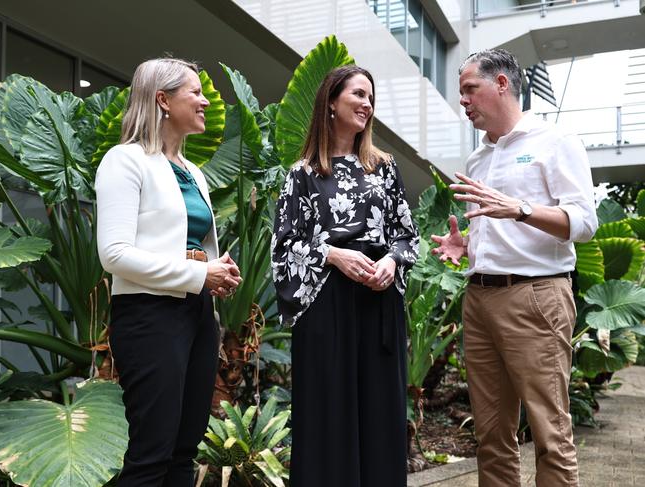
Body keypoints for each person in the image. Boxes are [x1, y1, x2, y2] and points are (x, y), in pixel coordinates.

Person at [431, 49, 598, 486]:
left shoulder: (554, 141)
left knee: (549, 432)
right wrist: (465, 245)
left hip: (536, 298)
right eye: (461, 92)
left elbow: (583, 223)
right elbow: (500, 228)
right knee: (491, 435)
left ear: (501, 83)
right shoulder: (477, 159)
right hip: (480, 299)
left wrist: (520, 209)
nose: (463, 101)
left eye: (470, 89)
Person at [95, 57, 242, 487]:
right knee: (151, 454)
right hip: (148, 318)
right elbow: (115, 254)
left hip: (196, 316)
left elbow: (190, 245)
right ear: (162, 99)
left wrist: (217, 274)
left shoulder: (193, 172)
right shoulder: (125, 161)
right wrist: (200, 274)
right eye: (193, 93)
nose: (204, 101)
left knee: (184, 451)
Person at [271, 65, 418, 487]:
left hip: (378, 303)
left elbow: (407, 236)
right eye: (358, 94)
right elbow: (282, 249)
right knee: (328, 414)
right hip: (325, 305)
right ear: (331, 102)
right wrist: (333, 254)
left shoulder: (384, 168)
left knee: (380, 414)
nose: (367, 105)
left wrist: (391, 262)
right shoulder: (301, 175)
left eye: (371, 98)